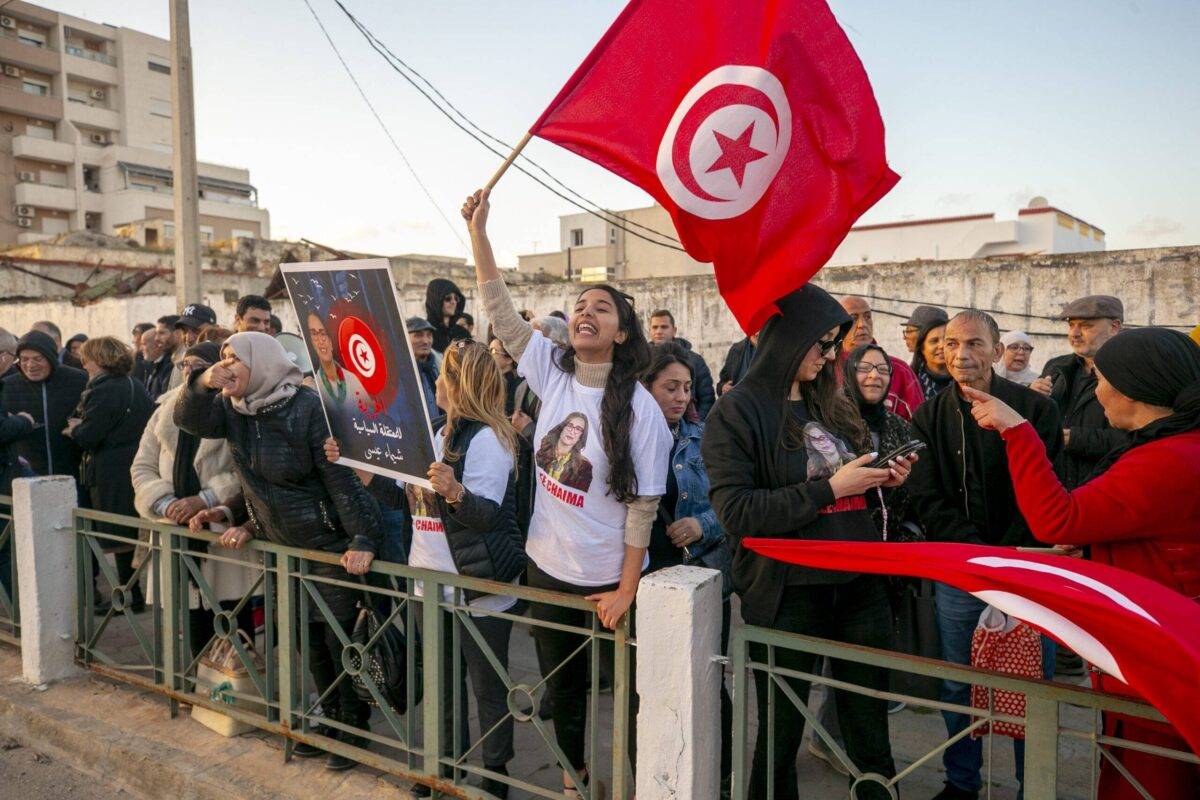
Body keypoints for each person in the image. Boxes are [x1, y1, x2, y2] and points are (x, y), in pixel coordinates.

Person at [464, 188, 671, 797]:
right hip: (548, 569)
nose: (586, 312)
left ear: (623, 330)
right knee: (564, 690)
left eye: (602, 308)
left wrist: (625, 589)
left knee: (633, 695)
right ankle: (574, 780)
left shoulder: (639, 409)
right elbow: (500, 310)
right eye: (579, 304)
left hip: (609, 583)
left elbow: (643, 508)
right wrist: (479, 232)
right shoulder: (551, 369)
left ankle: (642, 785)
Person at [963, 327, 1200, 800]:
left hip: (1159, 657)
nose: (1095, 391)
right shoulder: (1180, 447)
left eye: (1103, 378)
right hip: (1167, 643)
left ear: (1139, 387)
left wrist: (1017, 430)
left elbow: (1057, 518)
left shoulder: (1166, 459)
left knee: (1150, 776)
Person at [703, 283, 915, 800]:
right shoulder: (737, 412)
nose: (829, 355)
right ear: (787, 340)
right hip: (788, 593)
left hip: (859, 584)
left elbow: (846, 479)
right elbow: (738, 512)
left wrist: (880, 478)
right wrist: (830, 489)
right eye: (821, 344)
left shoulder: (831, 401)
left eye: (833, 344)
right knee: (781, 732)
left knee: (869, 730)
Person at [174, 331, 381, 772]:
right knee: (309, 641)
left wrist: (361, 538)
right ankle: (330, 718)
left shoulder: (305, 408)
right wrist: (202, 382)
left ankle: (355, 725)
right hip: (281, 549)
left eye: (236, 358)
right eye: (223, 357)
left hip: (327, 546)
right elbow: (188, 421)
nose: (227, 364)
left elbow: (340, 481)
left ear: (263, 363)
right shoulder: (234, 410)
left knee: (337, 636)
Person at [906, 310, 1063, 800]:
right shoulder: (927, 416)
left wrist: (1012, 552)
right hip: (963, 569)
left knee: (1034, 683)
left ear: (997, 352)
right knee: (958, 682)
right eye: (952, 344)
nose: (961, 354)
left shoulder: (1035, 411)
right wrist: (974, 550)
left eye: (974, 344)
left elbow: (1048, 487)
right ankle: (961, 782)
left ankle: (1032, 786)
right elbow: (924, 494)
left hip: (1027, 566)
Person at [398, 339, 524, 799]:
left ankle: (496, 776)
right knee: (441, 684)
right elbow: (400, 491)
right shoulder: (436, 432)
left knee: (490, 689)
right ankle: (443, 768)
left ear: (462, 385)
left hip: (477, 586)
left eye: (444, 376)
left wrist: (455, 493)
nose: (435, 382)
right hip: (428, 582)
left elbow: (488, 515)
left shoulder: (490, 440)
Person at [641, 342, 734, 792]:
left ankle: (719, 773)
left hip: (696, 575)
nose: (680, 397)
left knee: (708, 684)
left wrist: (702, 524)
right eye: (669, 387)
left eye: (685, 388)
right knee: (651, 686)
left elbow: (731, 505)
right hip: (642, 577)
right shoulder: (626, 438)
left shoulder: (701, 439)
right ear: (646, 387)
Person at [130, 341, 255, 659]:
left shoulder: (237, 410)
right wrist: (164, 503)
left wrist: (206, 499)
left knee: (232, 617)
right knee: (193, 616)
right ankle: (199, 691)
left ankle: (238, 695)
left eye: (199, 366)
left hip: (218, 533)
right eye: (185, 365)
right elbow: (142, 466)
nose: (190, 372)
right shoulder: (163, 412)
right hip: (175, 529)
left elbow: (248, 472)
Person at [67, 337, 155, 613]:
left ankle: (129, 597)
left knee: (118, 535)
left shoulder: (104, 389)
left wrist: (75, 429)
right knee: (126, 532)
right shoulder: (133, 384)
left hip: (111, 470)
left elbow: (90, 434)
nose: (83, 364)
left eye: (87, 358)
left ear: (100, 359)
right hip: (130, 464)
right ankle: (131, 594)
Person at [1030, 295, 1128, 490]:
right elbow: (1037, 427)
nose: (1074, 333)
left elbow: (1142, 438)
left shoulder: (1130, 372)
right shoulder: (1056, 367)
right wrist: (1032, 400)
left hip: (1104, 490)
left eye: (1085, 326)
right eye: (1071, 325)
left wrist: (1076, 439)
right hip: (1056, 488)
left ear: (1114, 327)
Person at [1, 330, 88, 480]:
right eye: (24, 359)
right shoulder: (7, 386)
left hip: (73, 474)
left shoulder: (80, 380)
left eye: (38, 358)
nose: (30, 365)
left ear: (51, 358)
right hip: (27, 477)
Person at [839, 296, 924, 420]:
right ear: (838, 325)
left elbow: (920, 426)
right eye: (853, 318)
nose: (862, 325)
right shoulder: (825, 368)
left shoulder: (899, 370)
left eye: (867, 317)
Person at [306, 312, 370, 433]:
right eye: (314, 334)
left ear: (331, 341)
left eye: (323, 333)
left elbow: (373, 416)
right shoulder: (311, 385)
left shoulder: (352, 379)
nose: (321, 341)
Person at [648, 309, 716, 417]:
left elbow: (707, 399)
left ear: (674, 330)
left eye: (664, 327)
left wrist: (695, 426)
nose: (659, 331)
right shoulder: (642, 361)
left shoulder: (695, 360)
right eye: (655, 327)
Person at [406, 316, 441, 420]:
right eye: (418, 335)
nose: (426, 341)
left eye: (429, 335)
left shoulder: (439, 368)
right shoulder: (400, 372)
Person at [424, 278, 471, 353]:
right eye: (448, 298)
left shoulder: (463, 333)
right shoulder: (425, 334)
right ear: (435, 301)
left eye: (456, 298)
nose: (453, 302)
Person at [911, 320, 952, 401]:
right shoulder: (910, 381)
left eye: (947, 340)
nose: (942, 346)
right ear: (922, 349)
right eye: (934, 341)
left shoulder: (967, 380)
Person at [488, 337, 521, 415]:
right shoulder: (492, 381)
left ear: (509, 359)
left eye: (493, 351)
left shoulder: (517, 385)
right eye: (488, 350)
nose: (488, 355)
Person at [141, 327, 173, 401]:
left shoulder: (168, 366)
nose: (141, 348)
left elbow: (163, 397)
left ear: (156, 345)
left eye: (144, 344)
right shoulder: (151, 365)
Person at [156, 314, 186, 390]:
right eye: (156, 334)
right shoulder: (167, 360)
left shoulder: (186, 360)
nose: (156, 338)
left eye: (162, 333)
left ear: (178, 334)